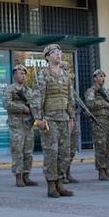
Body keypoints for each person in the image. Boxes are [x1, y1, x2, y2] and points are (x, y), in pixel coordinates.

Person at [33, 44, 75, 198]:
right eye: (54, 52)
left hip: (64, 118)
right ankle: (51, 184)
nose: (58, 54)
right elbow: (37, 98)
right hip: (49, 119)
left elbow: (70, 97)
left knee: (64, 152)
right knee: (52, 152)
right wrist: (38, 118)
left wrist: (71, 117)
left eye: (59, 52)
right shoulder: (43, 74)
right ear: (47, 57)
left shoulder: (66, 75)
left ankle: (60, 182)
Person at [3, 64, 37, 187]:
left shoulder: (29, 90)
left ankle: (26, 175)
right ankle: (18, 176)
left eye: (24, 74)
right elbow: (6, 104)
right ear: (15, 74)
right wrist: (21, 108)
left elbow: (34, 104)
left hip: (28, 124)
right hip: (16, 124)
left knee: (28, 151)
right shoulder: (10, 89)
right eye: (21, 73)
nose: (23, 76)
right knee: (17, 150)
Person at [84, 68, 109, 180]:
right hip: (99, 123)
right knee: (101, 148)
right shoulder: (91, 91)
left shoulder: (106, 91)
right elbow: (89, 103)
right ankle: (101, 171)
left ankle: (107, 169)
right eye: (100, 76)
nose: (102, 78)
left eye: (103, 76)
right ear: (94, 78)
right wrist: (102, 103)